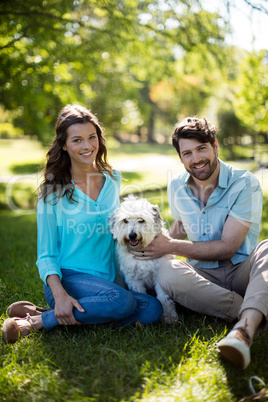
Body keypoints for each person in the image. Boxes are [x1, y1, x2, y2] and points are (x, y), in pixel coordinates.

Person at [2, 104, 163, 344]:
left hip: (108, 280)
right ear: (64, 144)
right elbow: (46, 254)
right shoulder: (52, 193)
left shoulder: (113, 179)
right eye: (77, 140)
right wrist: (60, 293)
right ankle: (34, 323)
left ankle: (47, 314)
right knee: (124, 303)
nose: (87, 146)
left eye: (92, 137)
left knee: (152, 309)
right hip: (68, 279)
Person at [131, 117, 268, 369]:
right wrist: (154, 241)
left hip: (242, 271)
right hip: (203, 276)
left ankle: (243, 331)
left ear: (215, 146)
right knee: (168, 272)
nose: (196, 159)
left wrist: (170, 246)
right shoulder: (176, 186)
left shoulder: (244, 183)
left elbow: (228, 246)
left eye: (201, 148)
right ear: (181, 158)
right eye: (187, 153)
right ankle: (252, 308)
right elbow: (182, 225)